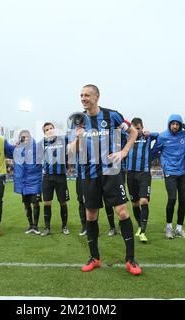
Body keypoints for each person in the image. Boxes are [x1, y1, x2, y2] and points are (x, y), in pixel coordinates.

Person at [70, 84, 141, 276]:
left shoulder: (113, 115)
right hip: (88, 174)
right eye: (81, 95)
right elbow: (71, 151)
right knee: (91, 216)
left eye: (87, 95)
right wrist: (77, 138)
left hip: (111, 171)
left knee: (123, 212)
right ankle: (95, 258)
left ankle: (131, 259)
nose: (83, 98)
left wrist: (124, 151)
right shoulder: (76, 121)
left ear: (97, 97)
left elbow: (133, 132)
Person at [151, 114, 185, 239]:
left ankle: (179, 229)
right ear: (169, 124)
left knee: (183, 200)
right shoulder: (162, 136)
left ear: (180, 125)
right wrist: (145, 164)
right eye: (173, 124)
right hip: (170, 172)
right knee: (172, 199)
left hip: (183, 172)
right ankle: (169, 228)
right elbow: (153, 152)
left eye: (177, 124)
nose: (175, 126)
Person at [126, 118, 158, 243]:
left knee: (144, 201)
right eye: (134, 129)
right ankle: (139, 226)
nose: (137, 131)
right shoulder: (127, 137)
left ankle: (143, 232)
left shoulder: (147, 137)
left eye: (139, 128)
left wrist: (151, 133)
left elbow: (160, 136)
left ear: (142, 128)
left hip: (144, 173)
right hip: (131, 174)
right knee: (134, 203)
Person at [39, 122, 70, 236]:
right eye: (47, 129)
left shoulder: (63, 139)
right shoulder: (41, 143)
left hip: (61, 176)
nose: (49, 130)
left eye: (51, 128)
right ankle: (47, 228)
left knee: (63, 202)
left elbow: (74, 138)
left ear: (54, 129)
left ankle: (64, 226)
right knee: (47, 203)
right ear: (44, 133)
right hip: (47, 177)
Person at [13, 130, 43, 235]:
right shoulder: (18, 149)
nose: (25, 139)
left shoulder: (37, 147)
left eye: (27, 137)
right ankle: (30, 225)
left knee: (35, 203)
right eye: (22, 137)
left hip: (35, 180)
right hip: (24, 182)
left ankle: (36, 225)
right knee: (26, 204)